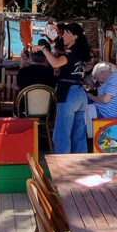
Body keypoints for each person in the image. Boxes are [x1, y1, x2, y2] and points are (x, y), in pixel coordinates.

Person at [33, 22, 90, 154]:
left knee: (61, 134)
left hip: (69, 93)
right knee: (79, 135)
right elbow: (77, 71)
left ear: (75, 36)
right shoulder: (81, 51)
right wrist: (62, 72)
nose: (63, 35)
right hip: (80, 94)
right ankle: (81, 165)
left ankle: (61, 167)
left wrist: (43, 49)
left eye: (66, 33)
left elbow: (55, 62)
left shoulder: (71, 51)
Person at [85, 62, 117, 136]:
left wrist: (91, 96)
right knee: (83, 100)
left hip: (106, 114)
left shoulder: (115, 79)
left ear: (102, 73)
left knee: (81, 104)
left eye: (96, 77)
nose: (98, 81)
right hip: (106, 110)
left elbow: (105, 99)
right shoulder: (113, 78)